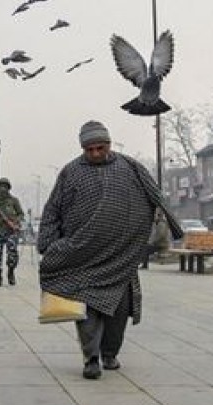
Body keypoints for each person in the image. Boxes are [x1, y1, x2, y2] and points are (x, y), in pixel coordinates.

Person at [38, 121, 179, 380]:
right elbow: (53, 209)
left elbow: (156, 198)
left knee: (118, 311)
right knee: (87, 311)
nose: (94, 154)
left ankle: (110, 353)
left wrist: (161, 230)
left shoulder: (131, 168)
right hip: (83, 256)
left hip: (121, 256)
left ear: (109, 145)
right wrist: (49, 243)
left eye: (99, 148)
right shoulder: (70, 172)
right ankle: (91, 358)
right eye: (89, 149)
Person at [0, 177, 25, 287]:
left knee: (12, 253)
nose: (2, 188)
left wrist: (15, 222)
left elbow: (21, 214)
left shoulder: (13, 200)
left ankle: (11, 272)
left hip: (10, 231)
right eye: (0, 186)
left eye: (5, 186)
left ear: (8, 188)